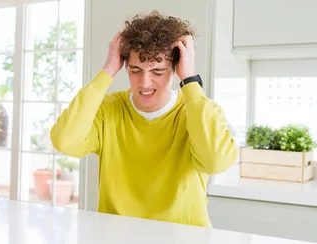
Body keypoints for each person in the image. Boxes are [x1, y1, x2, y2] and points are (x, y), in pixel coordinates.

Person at [50, 11, 238, 227]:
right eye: (136, 70)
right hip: (118, 236)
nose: (145, 82)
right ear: (126, 67)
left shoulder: (197, 110)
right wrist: (106, 72)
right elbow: (65, 141)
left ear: (175, 70)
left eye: (157, 71)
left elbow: (215, 162)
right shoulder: (108, 109)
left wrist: (191, 80)